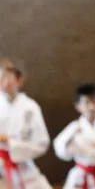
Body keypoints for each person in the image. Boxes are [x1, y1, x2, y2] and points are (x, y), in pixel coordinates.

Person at [0, 58, 51, 189]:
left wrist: (10, 142)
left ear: (19, 80)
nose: (4, 83)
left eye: (7, 78)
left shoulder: (30, 107)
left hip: (24, 167)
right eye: (0, 78)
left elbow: (41, 143)